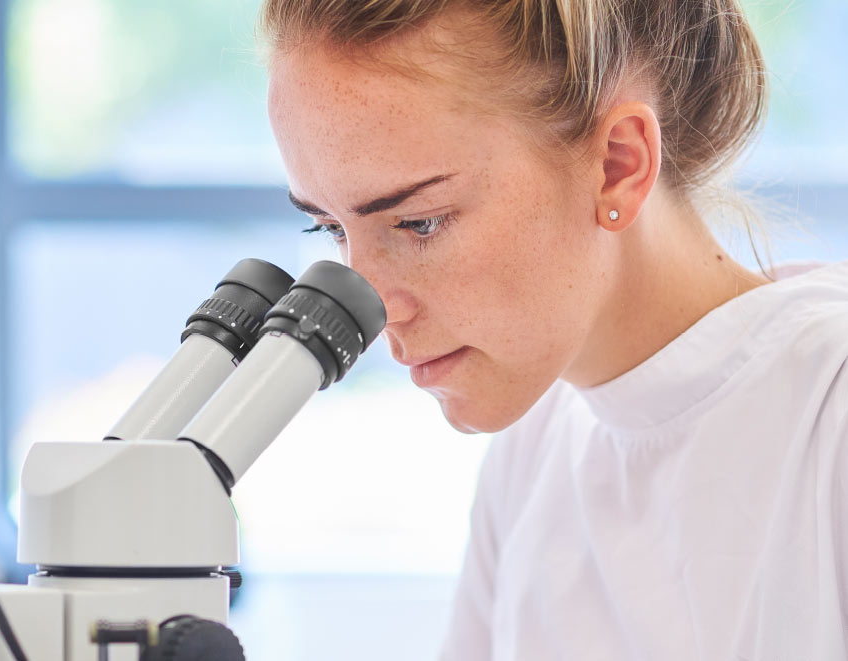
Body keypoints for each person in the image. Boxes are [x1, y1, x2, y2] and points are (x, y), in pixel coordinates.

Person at [258, 0, 848, 658]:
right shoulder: (534, 446)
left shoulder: (828, 412)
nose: (374, 310)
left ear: (618, 164)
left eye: (420, 221)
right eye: (331, 228)